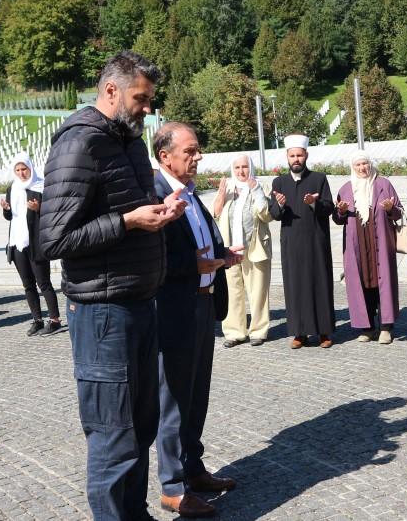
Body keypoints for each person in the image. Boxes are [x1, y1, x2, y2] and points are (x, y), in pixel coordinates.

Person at [40, 51, 186, 521]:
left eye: (150, 100)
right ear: (111, 91)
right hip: (103, 315)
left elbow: (129, 212)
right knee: (113, 435)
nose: (148, 109)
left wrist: (157, 216)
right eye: (141, 99)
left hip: (139, 303)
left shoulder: (130, 143)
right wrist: (127, 222)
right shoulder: (80, 144)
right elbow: (54, 238)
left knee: (140, 428)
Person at [153, 122, 241, 518]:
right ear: (164, 156)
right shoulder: (154, 194)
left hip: (203, 306)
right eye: (190, 151)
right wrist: (195, 264)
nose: (198, 156)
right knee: (173, 399)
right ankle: (172, 487)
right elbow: (152, 260)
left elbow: (204, 236)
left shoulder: (189, 193)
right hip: (174, 311)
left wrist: (224, 253)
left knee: (196, 396)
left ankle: (192, 469)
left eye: (198, 149)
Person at [268, 134, 336, 349]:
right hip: (292, 244)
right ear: (287, 157)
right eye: (292, 156)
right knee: (295, 286)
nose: (296, 159)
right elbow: (275, 215)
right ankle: (300, 332)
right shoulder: (279, 182)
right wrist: (278, 205)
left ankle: (324, 331)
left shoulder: (319, 178)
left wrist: (314, 203)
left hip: (316, 241)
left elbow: (329, 208)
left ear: (306, 155)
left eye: (299, 155)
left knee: (320, 283)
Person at [334, 152, 404, 344]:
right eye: (358, 165)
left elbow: (398, 213)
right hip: (357, 244)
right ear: (353, 167)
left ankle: (385, 327)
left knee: (383, 282)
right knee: (362, 283)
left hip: (379, 242)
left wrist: (391, 208)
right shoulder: (346, 188)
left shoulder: (383, 184)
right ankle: (367, 327)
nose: (362, 168)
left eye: (365, 164)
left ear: (370, 165)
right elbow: (338, 219)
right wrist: (340, 211)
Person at [212, 155, 273, 348]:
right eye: (237, 167)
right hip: (231, 250)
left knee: (258, 291)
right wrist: (221, 196)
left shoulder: (262, 187)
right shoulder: (228, 188)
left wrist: (255, 191)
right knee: (232, 291)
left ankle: (258, 330)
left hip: (255, 247)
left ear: (251, 168)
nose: (241, 171)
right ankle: (234, 332)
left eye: (244, 167)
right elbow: (215, 214)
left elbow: (266, 215)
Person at [2, 152, 61, 336]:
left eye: (24, 169)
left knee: (43, 282)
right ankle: (37, 319)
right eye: (17, 170)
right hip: (17, 242)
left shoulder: (41, 185)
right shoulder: (12, 188)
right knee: (28, 284)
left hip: (36, 241)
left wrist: (39, 208)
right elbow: (10, 217)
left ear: (30, 168)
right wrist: (6, 210)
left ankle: (55, 320)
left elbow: (53, 213)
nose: (21, 173)